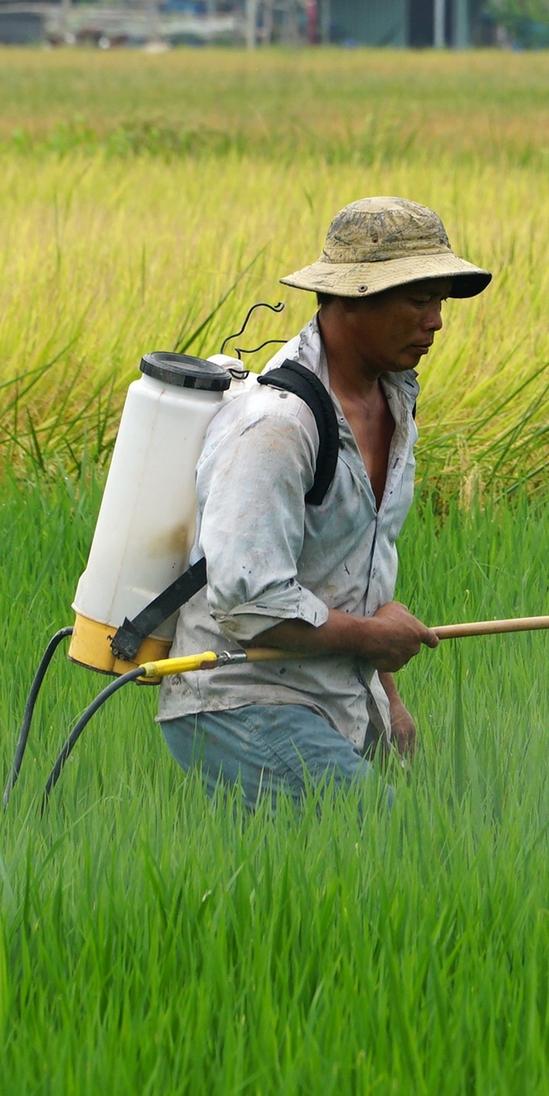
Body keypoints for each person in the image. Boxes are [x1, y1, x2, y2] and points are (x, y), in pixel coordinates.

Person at [153, 196, 490, 805]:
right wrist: (371, 639)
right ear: (356, 297)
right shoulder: (277, 426)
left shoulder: (395, 400)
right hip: (239, 698)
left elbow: (354, 565)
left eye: (441, 300)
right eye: (419, 300)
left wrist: (386, 695)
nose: (437, 320)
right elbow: (248, 600)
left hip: (325, 695)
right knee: (395, 850)